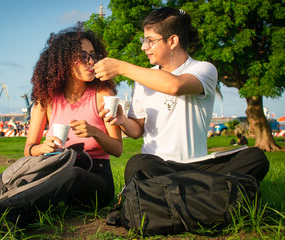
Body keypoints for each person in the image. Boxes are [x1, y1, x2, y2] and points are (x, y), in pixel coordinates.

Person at [0, 25, 123, 225]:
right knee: (4, 185)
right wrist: (42, 148)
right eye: (83, 56)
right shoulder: (46, 100)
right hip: (56, 167)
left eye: (93, 55)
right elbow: (29, 149)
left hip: (96, 178)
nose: (91, 61)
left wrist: (95, 132)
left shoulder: (103, 95)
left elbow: (117, 149)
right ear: (64, 61)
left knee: (74, 175)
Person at [94, 7, 269, 185]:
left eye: (150, 41)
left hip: (197, 166)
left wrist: (122, 67)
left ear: (173, 41)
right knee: (137, 164)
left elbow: (175, 85)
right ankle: (204, 194)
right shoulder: (142, 80)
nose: (143, 47)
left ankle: (177, 195)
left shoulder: (204, 69)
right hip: (158, 166)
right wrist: (122, 120)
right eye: (143, 40)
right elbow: (138, 130)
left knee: (255, 158)